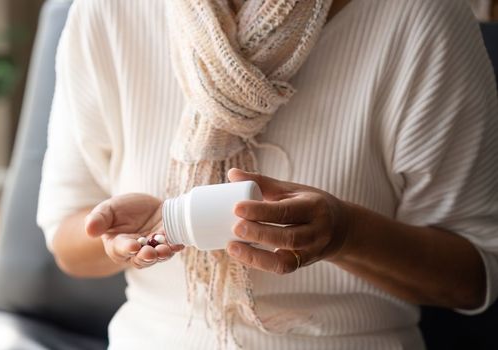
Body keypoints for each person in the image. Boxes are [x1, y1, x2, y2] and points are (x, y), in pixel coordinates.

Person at [37, 0, 498, 348]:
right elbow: (67, 243)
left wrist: (347, 236)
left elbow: (474, 276)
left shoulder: (419, 18)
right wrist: (122, 239)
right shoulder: (107, 13)